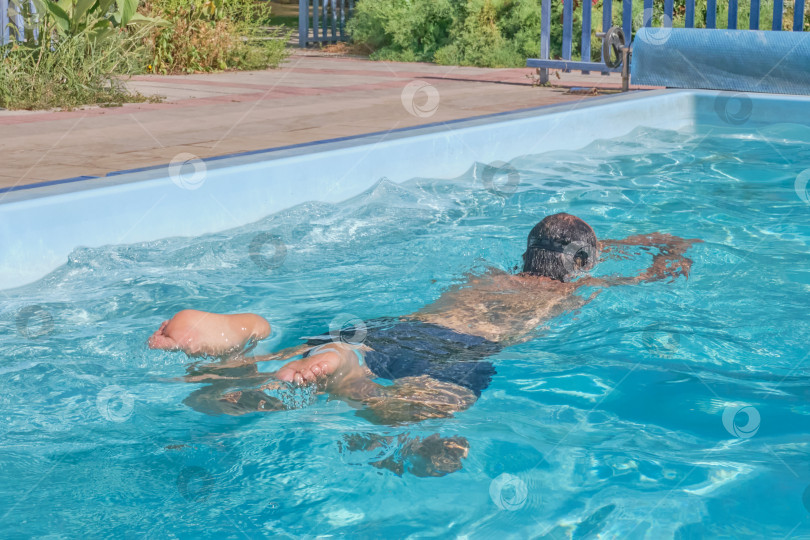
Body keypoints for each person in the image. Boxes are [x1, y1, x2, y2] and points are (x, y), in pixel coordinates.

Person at [149, 213, 701, 425]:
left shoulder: (485, 273)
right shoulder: (574, 293)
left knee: (236, 384)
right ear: (581, 265)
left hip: (388, 326)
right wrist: (653, 243)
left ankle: (244, 342)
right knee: (413, 413)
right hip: (458, 347)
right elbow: (666, 259)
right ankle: (346, 375)